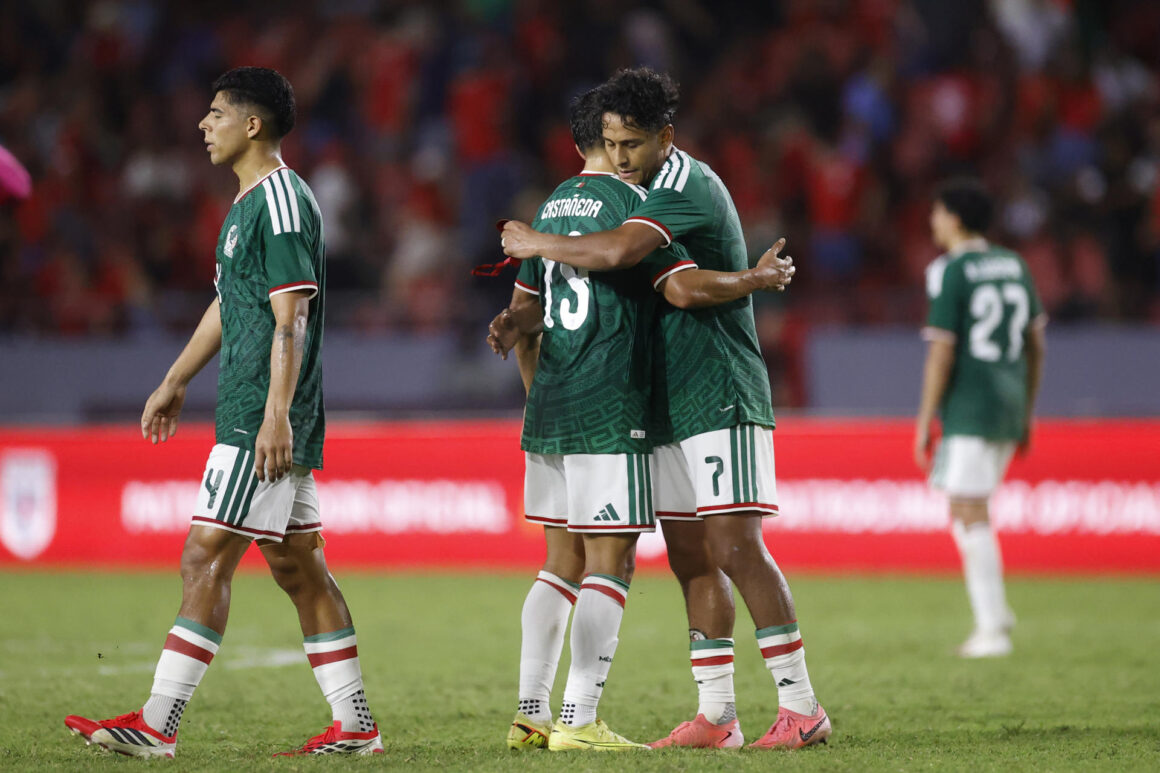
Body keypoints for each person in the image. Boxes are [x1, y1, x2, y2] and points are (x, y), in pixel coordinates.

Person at [499, 67, 829, 751]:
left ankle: (801, 706)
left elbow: (645, 268)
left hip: (717, 387)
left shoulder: (684, 185)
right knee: (689, 556)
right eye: (614, 144)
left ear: (667, 138)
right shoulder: (626, 190)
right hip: (660, 398)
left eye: (636, 144)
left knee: (737, 546)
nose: (622, 158)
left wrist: (537, 243)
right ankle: (717, 714)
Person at [64, 67, 382, 758]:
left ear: (252, 123)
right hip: (255, 407)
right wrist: (175, 377)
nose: (203, 125)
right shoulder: (245, 206)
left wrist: (275, 414)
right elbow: (229, 305)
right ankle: (357, 725)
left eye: (215, 113)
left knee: (204, 555)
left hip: (259, 415)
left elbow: (290, 319)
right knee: (301, 567)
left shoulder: (284, 201)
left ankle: (158, 721)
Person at [915, 178, 1046, 658]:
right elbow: (1036, 345)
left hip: (971, 404)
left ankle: (992, 627)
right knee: (967, 509)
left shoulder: (953, 271)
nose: (933, 221)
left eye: (937, 212)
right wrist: (1028, 409)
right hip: (1010, 400)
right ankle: (996, 613)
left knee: (969, 511)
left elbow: (942, 353)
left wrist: (925, 418)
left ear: (953, 217)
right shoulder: (1015, 265)